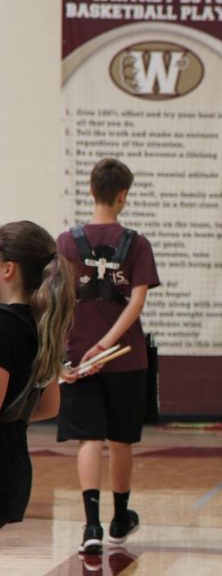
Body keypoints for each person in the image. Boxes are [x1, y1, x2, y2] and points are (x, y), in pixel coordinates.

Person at [56, 158, 160, 555]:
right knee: (120, 440)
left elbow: (59, 300)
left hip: (79, 356)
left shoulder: (66, 242)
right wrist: (108, 343)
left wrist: (73, 352)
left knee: (87, 439)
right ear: (123, 196)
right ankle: (119, 518)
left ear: (90, 190)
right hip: (125, 357)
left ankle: (91, 526)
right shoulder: (137, 243)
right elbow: (136, 303)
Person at [0, 221, 75, 529]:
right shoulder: (39, 326)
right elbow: (48, 406)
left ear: (8, 269)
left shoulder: (3, 327)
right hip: (12, 466)